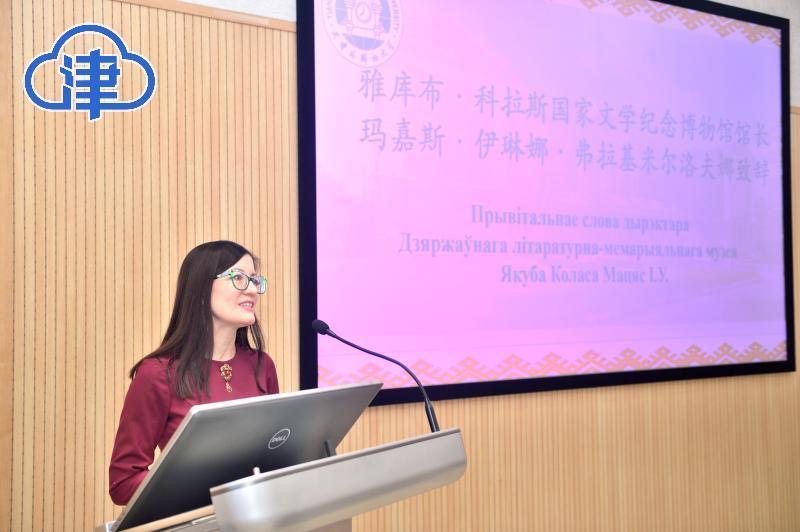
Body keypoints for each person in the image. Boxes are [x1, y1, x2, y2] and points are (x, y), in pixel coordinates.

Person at [109, 240, 279, 506]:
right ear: (201, 288)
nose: (252, 289)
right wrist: (194, 487)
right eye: (238, 278)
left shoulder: (262, 365)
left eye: (255, 280)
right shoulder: (157, 373)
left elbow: (275, 454)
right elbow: (123, 483)